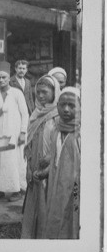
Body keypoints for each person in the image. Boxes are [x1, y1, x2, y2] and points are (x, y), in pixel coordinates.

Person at [21, 74, 61, 239]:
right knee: (33, 204)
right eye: (38, 92)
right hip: (34, 168)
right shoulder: (35, 114)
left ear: (55, 93)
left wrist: (52, 158)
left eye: (45, 92)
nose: (41, 95)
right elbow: (29, 144)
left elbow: (65, 146)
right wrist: (29, 166)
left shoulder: (59, 116)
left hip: (51, 170)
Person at [0, 61, 29, 202]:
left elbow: (25, 114)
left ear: (8, 78)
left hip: (15, 132)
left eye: (4, 77)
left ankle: (17, 190)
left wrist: (23, 132)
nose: (1, 80)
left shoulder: (16, 93)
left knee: (14, 160)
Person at [42, 87, 80, 239]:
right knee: (56, 216)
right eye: (62, 105)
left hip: (75, 188)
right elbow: (57, 159)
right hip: (56, 184)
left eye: (72, 105)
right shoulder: (55, 130)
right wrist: (44, 172)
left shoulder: (81, 134)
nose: (66, 109)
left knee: (72, 219)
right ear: (57, 105)